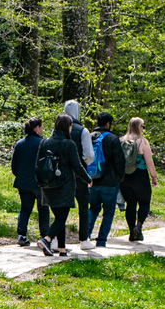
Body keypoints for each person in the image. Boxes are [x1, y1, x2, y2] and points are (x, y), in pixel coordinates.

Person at [36, 114, 92, 257]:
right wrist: (88, 179)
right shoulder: (69, 144)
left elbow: (38, 164)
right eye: (71, 125)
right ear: (67, 127)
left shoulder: (44, 142)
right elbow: (77, 166)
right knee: (61, 218)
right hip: (64, 186)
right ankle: (46, 239)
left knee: (59, 217)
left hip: (47, 185)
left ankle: (62, 249)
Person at [85, 112, 126, 248]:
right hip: (110, 182)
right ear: (108, 124)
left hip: (92, 180)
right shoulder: (113, 139)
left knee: (93, 209)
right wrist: (120, 178)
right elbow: (119, 161)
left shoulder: (88, 137)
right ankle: (101, 240)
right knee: (108, 212)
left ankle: (86, 237)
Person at [10, 117, 50, 246]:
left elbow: (14, 165)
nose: (42, 130)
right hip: (39, 182)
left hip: (23, 182)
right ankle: (44, 236)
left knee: (25, 209)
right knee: (43, 209)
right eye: (42, 127)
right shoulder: (42, 143)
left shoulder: (20, 143)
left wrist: (20, 175)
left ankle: (21, 235)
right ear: (37, 127)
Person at [119, 118, 158, 242]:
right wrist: (154, 176)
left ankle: (132, 232)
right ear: (138, 127)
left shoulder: (121, 140)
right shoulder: (143, 142)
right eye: (143, 126)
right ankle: (139, 226)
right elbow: (149, 162)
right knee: (144, 202)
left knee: (130, 204)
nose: (143, 128)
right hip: (140, 176)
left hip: (124, 177)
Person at [63, 100, 95, 250]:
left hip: (62, 175)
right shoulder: (83, 130)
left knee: (61, 207)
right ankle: (84, 239)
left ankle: (57, 239)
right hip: (80, 175)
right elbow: (89, 154)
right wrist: (83, 164)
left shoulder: (57, 130)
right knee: (83, 207)